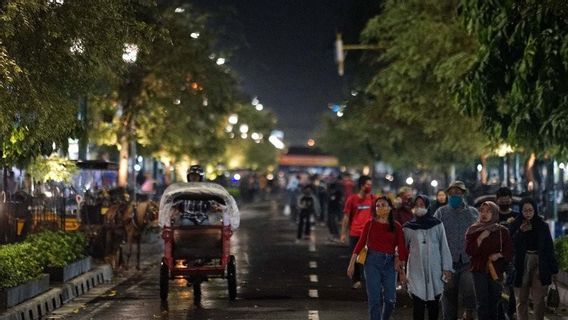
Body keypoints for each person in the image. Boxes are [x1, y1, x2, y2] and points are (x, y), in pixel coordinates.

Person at [347, 196, 408, 320]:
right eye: (377, 205)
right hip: (372, 263)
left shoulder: (396, 226)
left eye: (383, 205)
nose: (380, 208)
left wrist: (402, 271)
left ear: (390, 208)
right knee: (374, 300)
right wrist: (351, 264)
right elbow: (360, 244)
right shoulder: (369, 224)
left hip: (390, 264)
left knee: (390, 300)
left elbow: (402, 249)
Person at [403, 195, 453, 320]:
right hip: (416, 270)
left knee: (434, 305)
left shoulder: (437, 224)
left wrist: (447, 268)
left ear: (427, 206)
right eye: (416, 205)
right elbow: (402, 248)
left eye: (422, 204)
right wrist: (400, 269)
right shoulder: (408, 227)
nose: (419, 207)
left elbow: (444, 247)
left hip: (434, 269)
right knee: (418, 304)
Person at [434, 180, 478, 320]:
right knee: (448, 294)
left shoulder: (472, 213)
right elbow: (434, 234)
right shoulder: (441, 212)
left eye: (457, 193)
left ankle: (469, 314)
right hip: (448, 262)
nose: (454, 195)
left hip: (467, 261)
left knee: (470, 290)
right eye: (452, 193)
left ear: (463, 194)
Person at [509, 198, 558, 320]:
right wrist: (520, 232)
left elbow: (549, 247)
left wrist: (553, 270)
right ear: (521, 211)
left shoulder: (542, 225)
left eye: (530, 210)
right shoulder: (516, 224)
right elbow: (510, 244)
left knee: (539, 298)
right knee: (521, 297)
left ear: (535, 210)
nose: (528, 213)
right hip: (522, 261)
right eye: (525, 210)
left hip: (540, 262)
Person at [465, 201, 513, 320]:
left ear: (495, 213)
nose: (484, 214)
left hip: (496, 271)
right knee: (482, 303)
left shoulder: (502, 231)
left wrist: (499, 255)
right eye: (482, 211)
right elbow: (469, 251)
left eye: (488, 211)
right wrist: (480, 238)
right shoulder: (473, 230)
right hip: (478, 270)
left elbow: (510, 251)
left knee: (495, 302)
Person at [341, 175, 375, 289]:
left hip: (369, 234)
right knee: (355, 257)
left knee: (368, 258)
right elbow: (346, 217)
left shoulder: (373, 199)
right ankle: (357, 280)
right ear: (361, 185)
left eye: (370, 185)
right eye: (367, 185)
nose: (369, 187)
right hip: (355, 233)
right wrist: (343, 233)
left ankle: (369, 280)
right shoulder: (352, 199)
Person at [495, 187, 519, 320]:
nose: (504, 201)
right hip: (495, 257)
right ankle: (499, 313)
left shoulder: (516, 216)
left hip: (512, 256)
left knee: (512, 285)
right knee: (496, 285)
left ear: (511, 199)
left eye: (507, 198)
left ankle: (511, 312)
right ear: (497, 200)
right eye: (501, 199)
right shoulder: (493, 216)